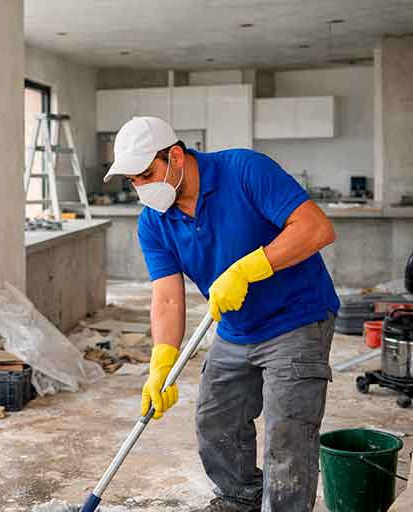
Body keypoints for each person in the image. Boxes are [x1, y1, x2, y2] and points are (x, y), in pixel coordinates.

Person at [103, 117, 340, 512]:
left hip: (296, 319)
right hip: (233, 328)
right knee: (216, 421)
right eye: (133, 181)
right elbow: (167, 296)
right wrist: (161, 361)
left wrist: (250, 268)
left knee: (287, 437)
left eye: (146, 175)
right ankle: (240, 498)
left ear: (175, 156)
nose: (141, 188)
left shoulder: (244, 170)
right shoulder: (154, 221)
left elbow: (316, 229)